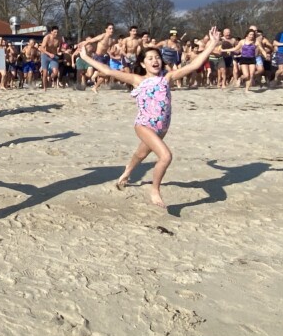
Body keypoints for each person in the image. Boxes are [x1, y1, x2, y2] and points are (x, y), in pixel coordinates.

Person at [77, 26, 220, 208]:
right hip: (144, 125)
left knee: (141, 154)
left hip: (162, 127)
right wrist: (86, 58)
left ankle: (127, 172)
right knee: (166, 156)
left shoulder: (167, 78)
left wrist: (212, 44)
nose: (155, 61)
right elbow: (109, 71)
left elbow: (194, 65)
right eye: (150, 58)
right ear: (143, 64)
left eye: (157, 58)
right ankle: (155, 191)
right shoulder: (138, 80)